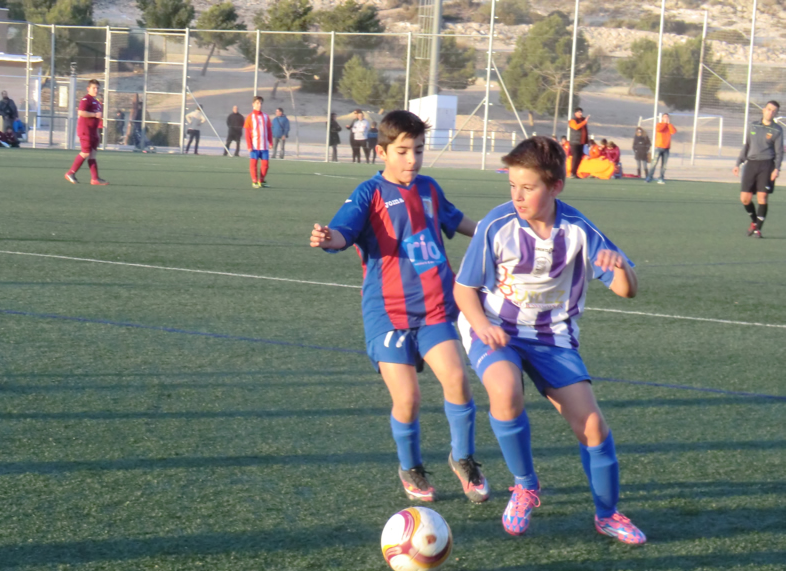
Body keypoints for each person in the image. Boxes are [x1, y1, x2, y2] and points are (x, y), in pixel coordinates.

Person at [453, 136, 645, 545]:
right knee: (505, 392)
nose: (517, 196)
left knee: (592, 426)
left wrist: (620, 268)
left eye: (528, 187)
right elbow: (463, 290)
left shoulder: (579, 230)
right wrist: (481, 325)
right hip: (494, 327)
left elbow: (627, 290)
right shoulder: (496, 225)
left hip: (553, 338)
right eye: (512, 186)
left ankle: (608, 514)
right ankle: (525, 486)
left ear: (555, 186)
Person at [309, 110, 489, 504]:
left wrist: (497, 231)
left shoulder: (429, 188)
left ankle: (463, 458)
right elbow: (343, 232)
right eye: (403, 151)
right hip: (388, 313)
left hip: (436, 308)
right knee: (408, 399)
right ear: (382, 152)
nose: (412, 160)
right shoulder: (368, 193)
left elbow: (457, 220)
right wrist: (328, 238)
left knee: (457, 381)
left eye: (419, 151)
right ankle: (410, 466)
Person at [733, 100, 782, 238]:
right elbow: (747, 146)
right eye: (769, 109)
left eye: (774, 111)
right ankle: (755, 222)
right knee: (745, 199)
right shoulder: (753, 126)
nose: (770, 112)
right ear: (763, 110)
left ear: (776, 114)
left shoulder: (777, 130)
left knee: (762, 197)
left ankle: (758, 230)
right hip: (751, 164)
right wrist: (738, 163)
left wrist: (776, 169)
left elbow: (779, 152)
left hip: (767, 165)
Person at [65, 79, 108, 185]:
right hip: (85, 130)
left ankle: (95, 178)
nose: (96, 90)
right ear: (88, 89)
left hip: (93, 131)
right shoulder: (86, 99)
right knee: (85, 152)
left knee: (92, 154)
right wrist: (94, 115)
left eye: (97, 88)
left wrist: (98, 129)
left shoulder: (97, 102)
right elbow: (81, 112)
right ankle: (70, 173)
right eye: (94, 88)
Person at [244, 95, 272, 188]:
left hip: (264, 146)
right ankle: (254, 181)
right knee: (253, 164)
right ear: (253, 104)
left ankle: (261, 180)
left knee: (266, 165)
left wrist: (270, 142)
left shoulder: (265, 116)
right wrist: (249, 145)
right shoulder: (250, 117)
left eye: (260, 103)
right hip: (254, 146)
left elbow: (269, 130)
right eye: (257, 103)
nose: (259, 105)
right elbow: (247, 132)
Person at [645, 113, 677, 184]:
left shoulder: (669, 126)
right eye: (665, 117)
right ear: (662, 118)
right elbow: (659, 129)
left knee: (664, 165)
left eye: (667, 117)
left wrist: (669, 124)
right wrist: (665, 123)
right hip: (659, 147)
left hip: (666, 148)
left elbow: (673, 131)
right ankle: (650, 177)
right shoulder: (659, 124)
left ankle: (661, 178)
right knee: (654, 163)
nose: (666, 118)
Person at [568, 107, 589, 177]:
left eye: (581, 112)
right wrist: (584, 122)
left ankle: (575, 173)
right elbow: (576, 127)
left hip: (581, 142)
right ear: (575, 113)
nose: (581, 113)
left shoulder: (582, 120)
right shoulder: (572, 120)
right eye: (579, 112)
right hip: (575, 142)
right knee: (575, 157)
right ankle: (572, 173)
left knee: (579, 158)